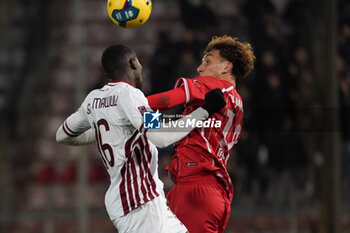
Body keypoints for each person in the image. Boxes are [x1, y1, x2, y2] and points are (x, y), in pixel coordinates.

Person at [55, 44, 226, 233]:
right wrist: (204, 111)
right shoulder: (132, 95)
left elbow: (63, 135)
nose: (142, 67)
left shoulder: (93, 99)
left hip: (142, 199)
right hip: (138, 201)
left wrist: (110, 132)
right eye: (139, 61)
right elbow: (159, 136)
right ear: (132, 63)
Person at [147, 35, 256, 233]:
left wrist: (132, 103)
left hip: (195, 188)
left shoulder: (214, 86)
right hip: (214, 193)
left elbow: (166, 100)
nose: (199, 68)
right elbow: (177, 126)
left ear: (226, 67)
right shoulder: (236, 102)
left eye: (207, 61)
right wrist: (143, 120)